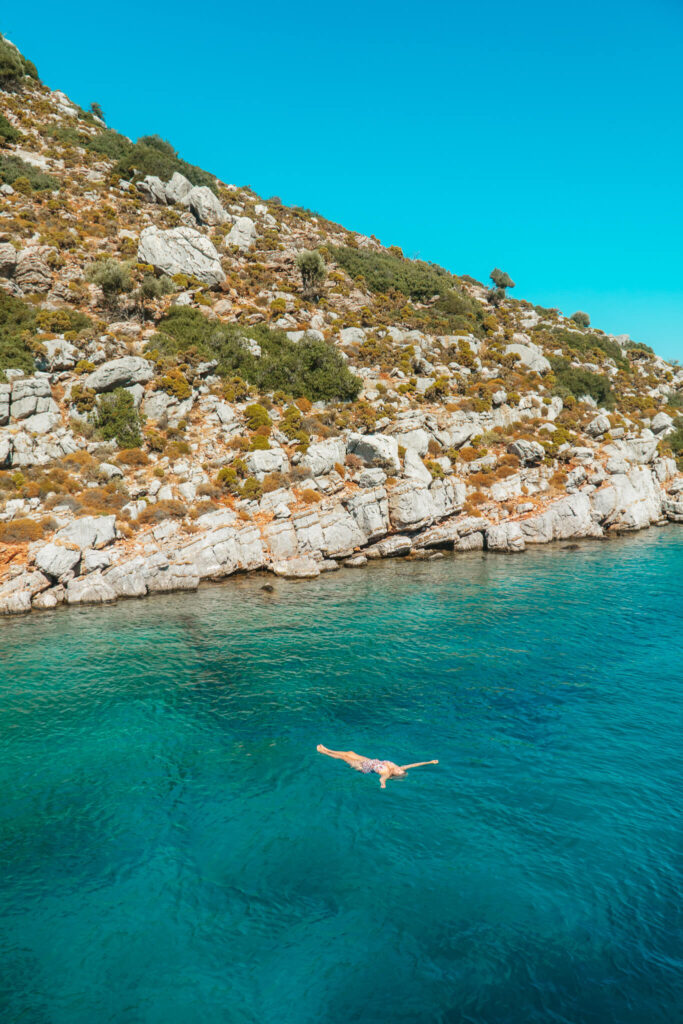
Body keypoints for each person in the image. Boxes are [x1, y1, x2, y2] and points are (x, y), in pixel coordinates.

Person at [316, 744, 438, 789]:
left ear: (395, 774)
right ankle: (329, 749)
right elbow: (413, 765)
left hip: (363, 768)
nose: (399, 769)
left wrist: (383, 784)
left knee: (345, 758)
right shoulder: (399, 769)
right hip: (371, 761)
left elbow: (382, 779)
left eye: (399, 771)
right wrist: (429, 762)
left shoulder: (387, 773)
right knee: (351, 753)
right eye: (401, 770)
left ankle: (325, 752)